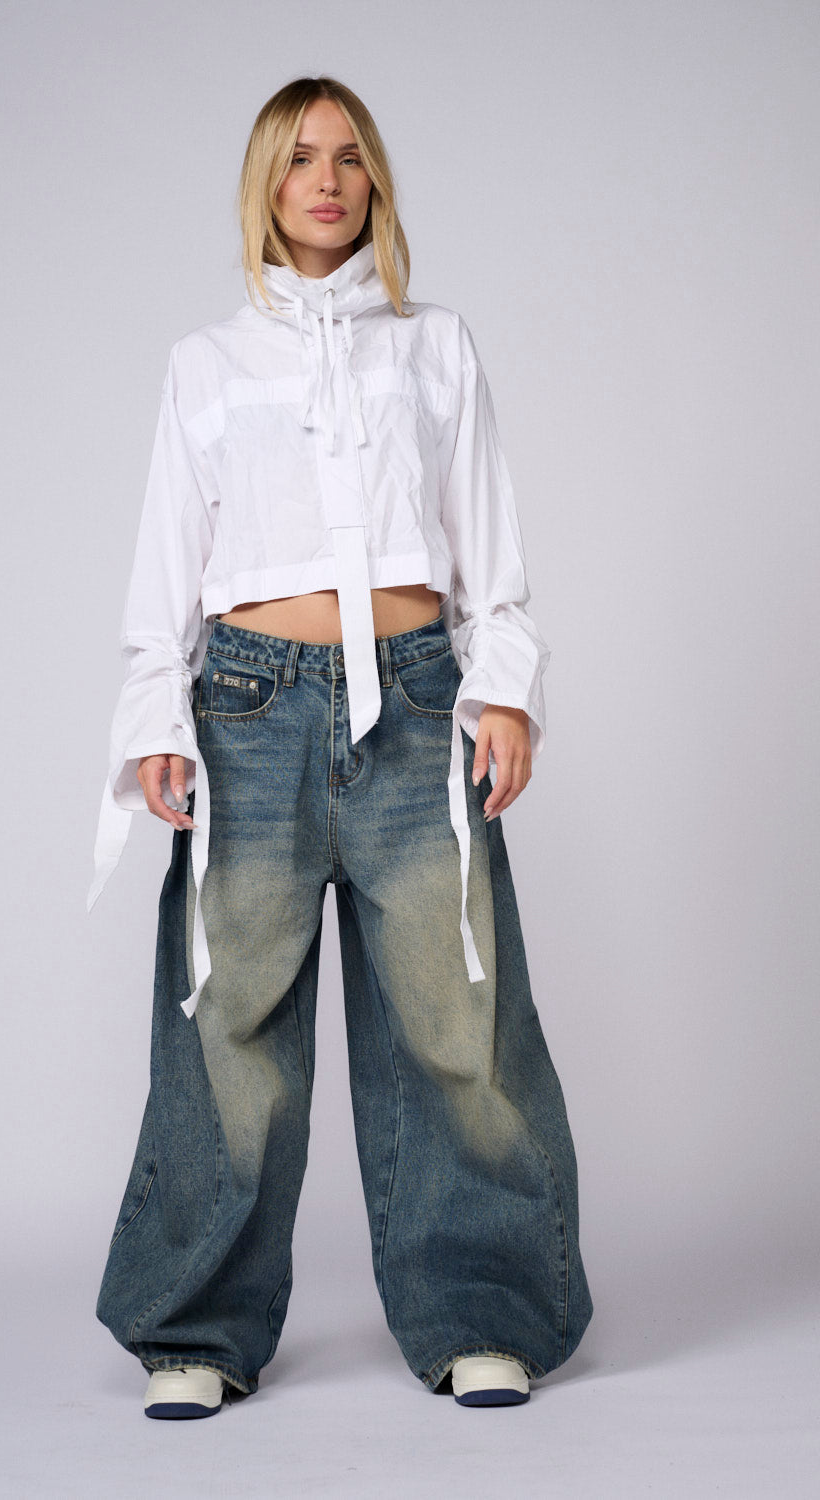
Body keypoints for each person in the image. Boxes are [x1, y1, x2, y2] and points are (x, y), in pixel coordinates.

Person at [88, 75, 593, 1421]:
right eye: (302, 157)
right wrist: (159, 714)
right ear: (266, 181)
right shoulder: (207, 362)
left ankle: (481, 1313)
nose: (327, 179)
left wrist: (502, 695)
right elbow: (168, 558)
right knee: (229, 1025)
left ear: (376, 184)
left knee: (454, 1018)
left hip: (419, 703)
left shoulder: (435, 349)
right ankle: (197, 1328)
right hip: (249, 712)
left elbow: (491, 549)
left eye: (351, 157)